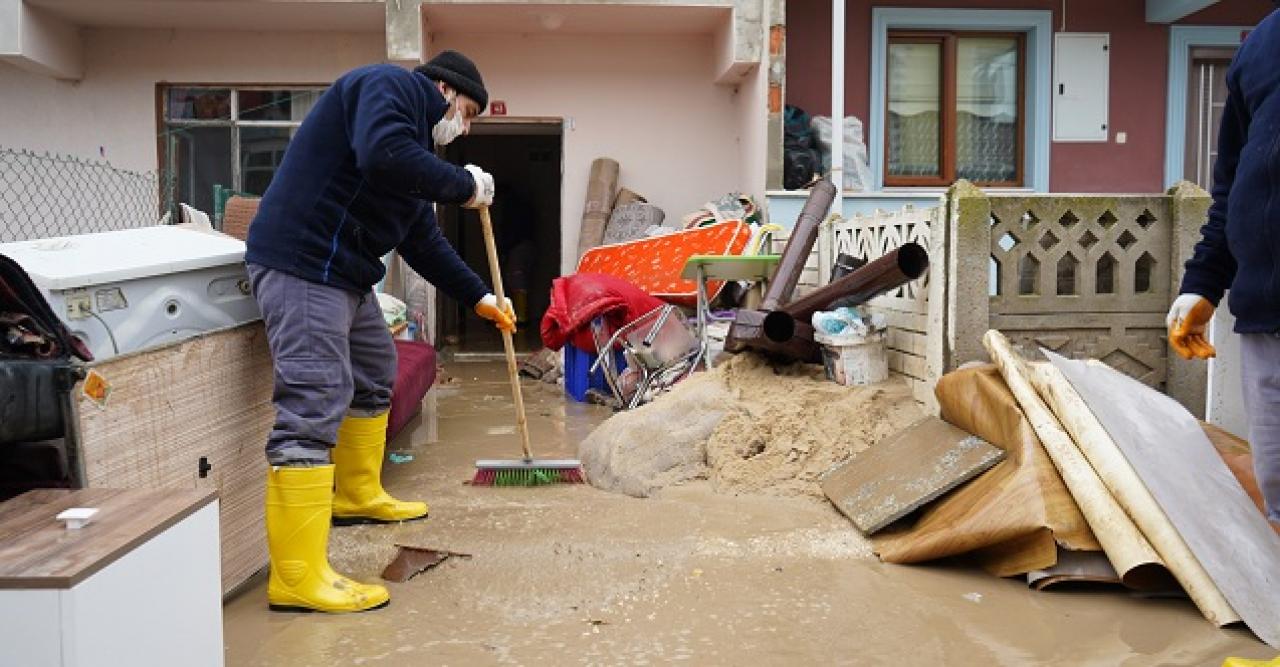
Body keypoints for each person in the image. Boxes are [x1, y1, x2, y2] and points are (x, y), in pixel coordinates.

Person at [243, 50, 515, 614]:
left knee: (374, 376)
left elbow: (424, 244)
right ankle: (297, 577)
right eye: (465, 112)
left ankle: (356, 493)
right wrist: (461, 184)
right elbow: (383, 155)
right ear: (443, 89)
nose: (461, 127)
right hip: (303, 264)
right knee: (313, 402)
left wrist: (482, 298)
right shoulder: (388, 87)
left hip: (343, 275)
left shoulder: (409, 152)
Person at [1168, 11, 1280, 525]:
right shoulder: (1262, 42)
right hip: (1266, 321)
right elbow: (1233, 187)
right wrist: (1203, 285)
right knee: (1276, 489)